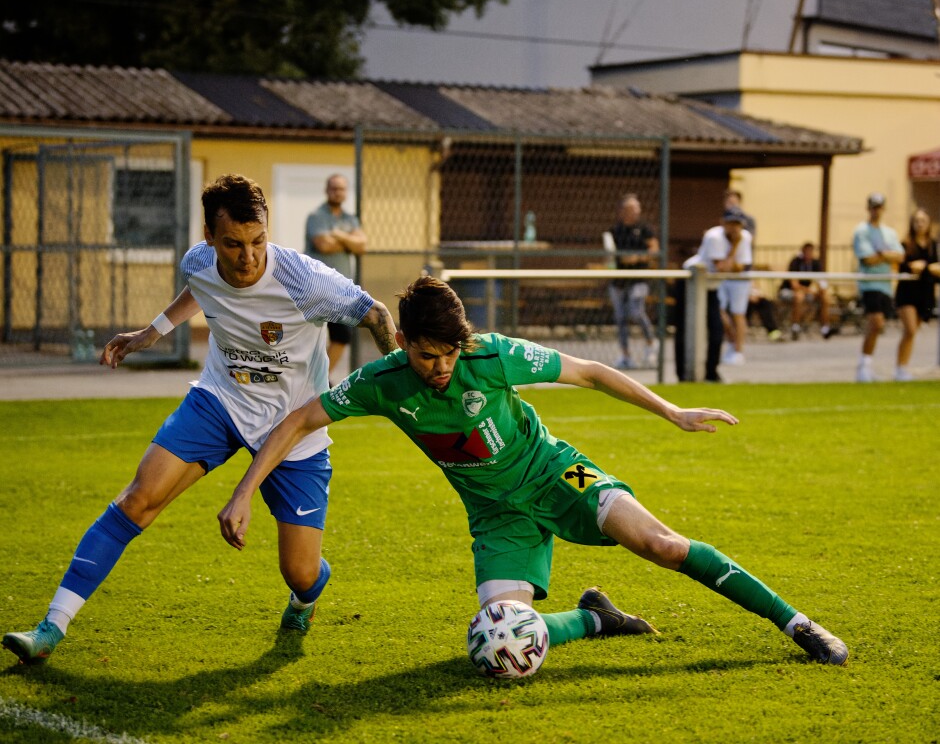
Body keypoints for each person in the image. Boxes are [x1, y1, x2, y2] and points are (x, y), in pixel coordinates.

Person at [222, 275, 849, 667]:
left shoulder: (491, 355)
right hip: (498, 519)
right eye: (426, 354)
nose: (441, 367)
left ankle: (797, 623)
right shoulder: (382, 384)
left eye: (449, 353)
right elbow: (301, 419)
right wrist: (245, 489)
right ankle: (594, 618)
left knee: (661, 543)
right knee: (500, 643)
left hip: (558, 473)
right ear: (403, 341)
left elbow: (590, 372)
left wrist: (670, 409)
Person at [2, 174, 398, 664]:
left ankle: (305, 596)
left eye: (258, 241)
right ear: (210, 236)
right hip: (220, 401)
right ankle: (50, 628)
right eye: (233, 244)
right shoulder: (199, 260)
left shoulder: (306, 280)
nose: (248, 257)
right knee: (137, 500)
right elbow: (200, 288)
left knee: (300, 572)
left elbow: (377, 314)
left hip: (293, 427)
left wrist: (400, 378)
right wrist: (152, 331)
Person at [306, 173, 369, 377]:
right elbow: (323, 245)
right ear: (327, 190)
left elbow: (362, 246)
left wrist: (338, 235)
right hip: (315, 287)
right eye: (333, 188)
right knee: (310, 337)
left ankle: (320, 378)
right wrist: (349, 240)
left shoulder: (350, 219)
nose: (337, 192)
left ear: (346, 192)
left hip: (341, 290)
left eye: (341, 188)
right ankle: (307, 380)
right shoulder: (316, 216)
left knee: (342, 337)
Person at [691, 207, 753, 381]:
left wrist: (732, 264)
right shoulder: (714, 236)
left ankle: (735, 352)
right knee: (715, 321)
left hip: (720, 281)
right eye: (731, 223)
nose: (734, 228)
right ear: (722, 223)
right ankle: (698, 372)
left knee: (735, 315)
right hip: (698, 282)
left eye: (738, 224)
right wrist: (733, 248)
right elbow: (723, 267)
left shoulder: (745, 237)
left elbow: (744, 266)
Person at [603, 193, 659, 369]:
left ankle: (651, 343)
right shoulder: (614, 231)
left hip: (639, 279)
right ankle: (625, 355)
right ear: (623, 211)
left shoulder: (644, 229)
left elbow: (654, 250)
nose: (635, 212)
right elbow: (609, 255)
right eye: (631, 209)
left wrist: (636, 258)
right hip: (618, 280)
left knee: (636, 311)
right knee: (620, 318)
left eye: (637, 208)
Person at [852, 193, 904, 383]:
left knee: (877, 326)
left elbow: (899, 256)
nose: (876, 210)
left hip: (885, 284)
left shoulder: (889, 233)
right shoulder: (861, 231)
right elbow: (868, 259)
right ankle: (863, 365)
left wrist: (882, 255)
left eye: (879, 207)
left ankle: (867, 363)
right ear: (868, 208)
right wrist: (885, 256)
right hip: (869, 284)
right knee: (876, 322)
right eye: (873, 207)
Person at [894, 208, 940, 381]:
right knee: (910, 329)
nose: (920, 224)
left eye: (923, 221)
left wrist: (925, 267)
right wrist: (921, 266)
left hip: (924, 291)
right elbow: (905, 266)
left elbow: (935, 267)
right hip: (907, 292)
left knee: (914, 331)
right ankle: (900, 367)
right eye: (917, 220)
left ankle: (903, 366)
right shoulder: (906, 244)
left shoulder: (932, 244)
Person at [779, 242, 833, 340]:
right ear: (802, 252)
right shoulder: (795, 262)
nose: (809, 254)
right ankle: (795, 327)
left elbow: (821, 281)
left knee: (825, 298)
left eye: (811, 252)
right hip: (788, 290)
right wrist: (810, 291)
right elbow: (794, 285)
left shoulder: (815, 263)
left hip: (806, 292)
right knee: (799, 297)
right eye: (806, 251)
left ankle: (825, 328)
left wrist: (821, 290)